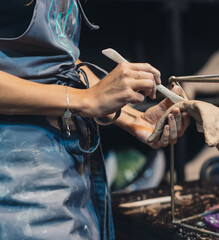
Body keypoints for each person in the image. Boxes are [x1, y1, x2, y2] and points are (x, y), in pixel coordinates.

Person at [0, 0, 189, 239]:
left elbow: (58, 63)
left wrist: (135, 118)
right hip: (15, 178)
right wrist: (88, 99)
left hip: (69, 173)